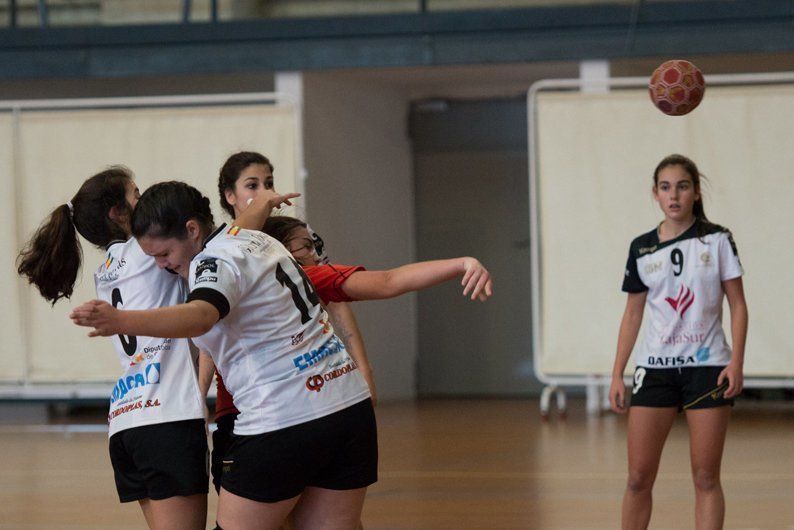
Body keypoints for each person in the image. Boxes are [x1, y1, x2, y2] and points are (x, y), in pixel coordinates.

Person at [70, 181, 492, 530]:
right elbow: (385, 280)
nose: (162, 266)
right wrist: (461, 263)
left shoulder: (211, 264)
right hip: (348, 409)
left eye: (165, 255)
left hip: (282, 420)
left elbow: (200, 316)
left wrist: (122, 320)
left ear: (193, 230)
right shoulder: (260, 242)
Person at [17, 167, 208, 530]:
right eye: (136, 195)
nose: (144, 200)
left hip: (126, 421)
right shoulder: (146, 250)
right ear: (119, 213)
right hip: (166, 417)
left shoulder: (104, 269)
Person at [608, 154, 748, 530]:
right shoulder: (641, 248)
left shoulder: (717, 239)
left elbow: (737, 304)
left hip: (708, 369)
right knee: (638, 478)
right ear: (655, 194)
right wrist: (617, 373)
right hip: (655, 370)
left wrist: (736, 363)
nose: (674, 196)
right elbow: (633, 314)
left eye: (682, 186)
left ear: (695, 192)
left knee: (705, 478)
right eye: (666, 187)